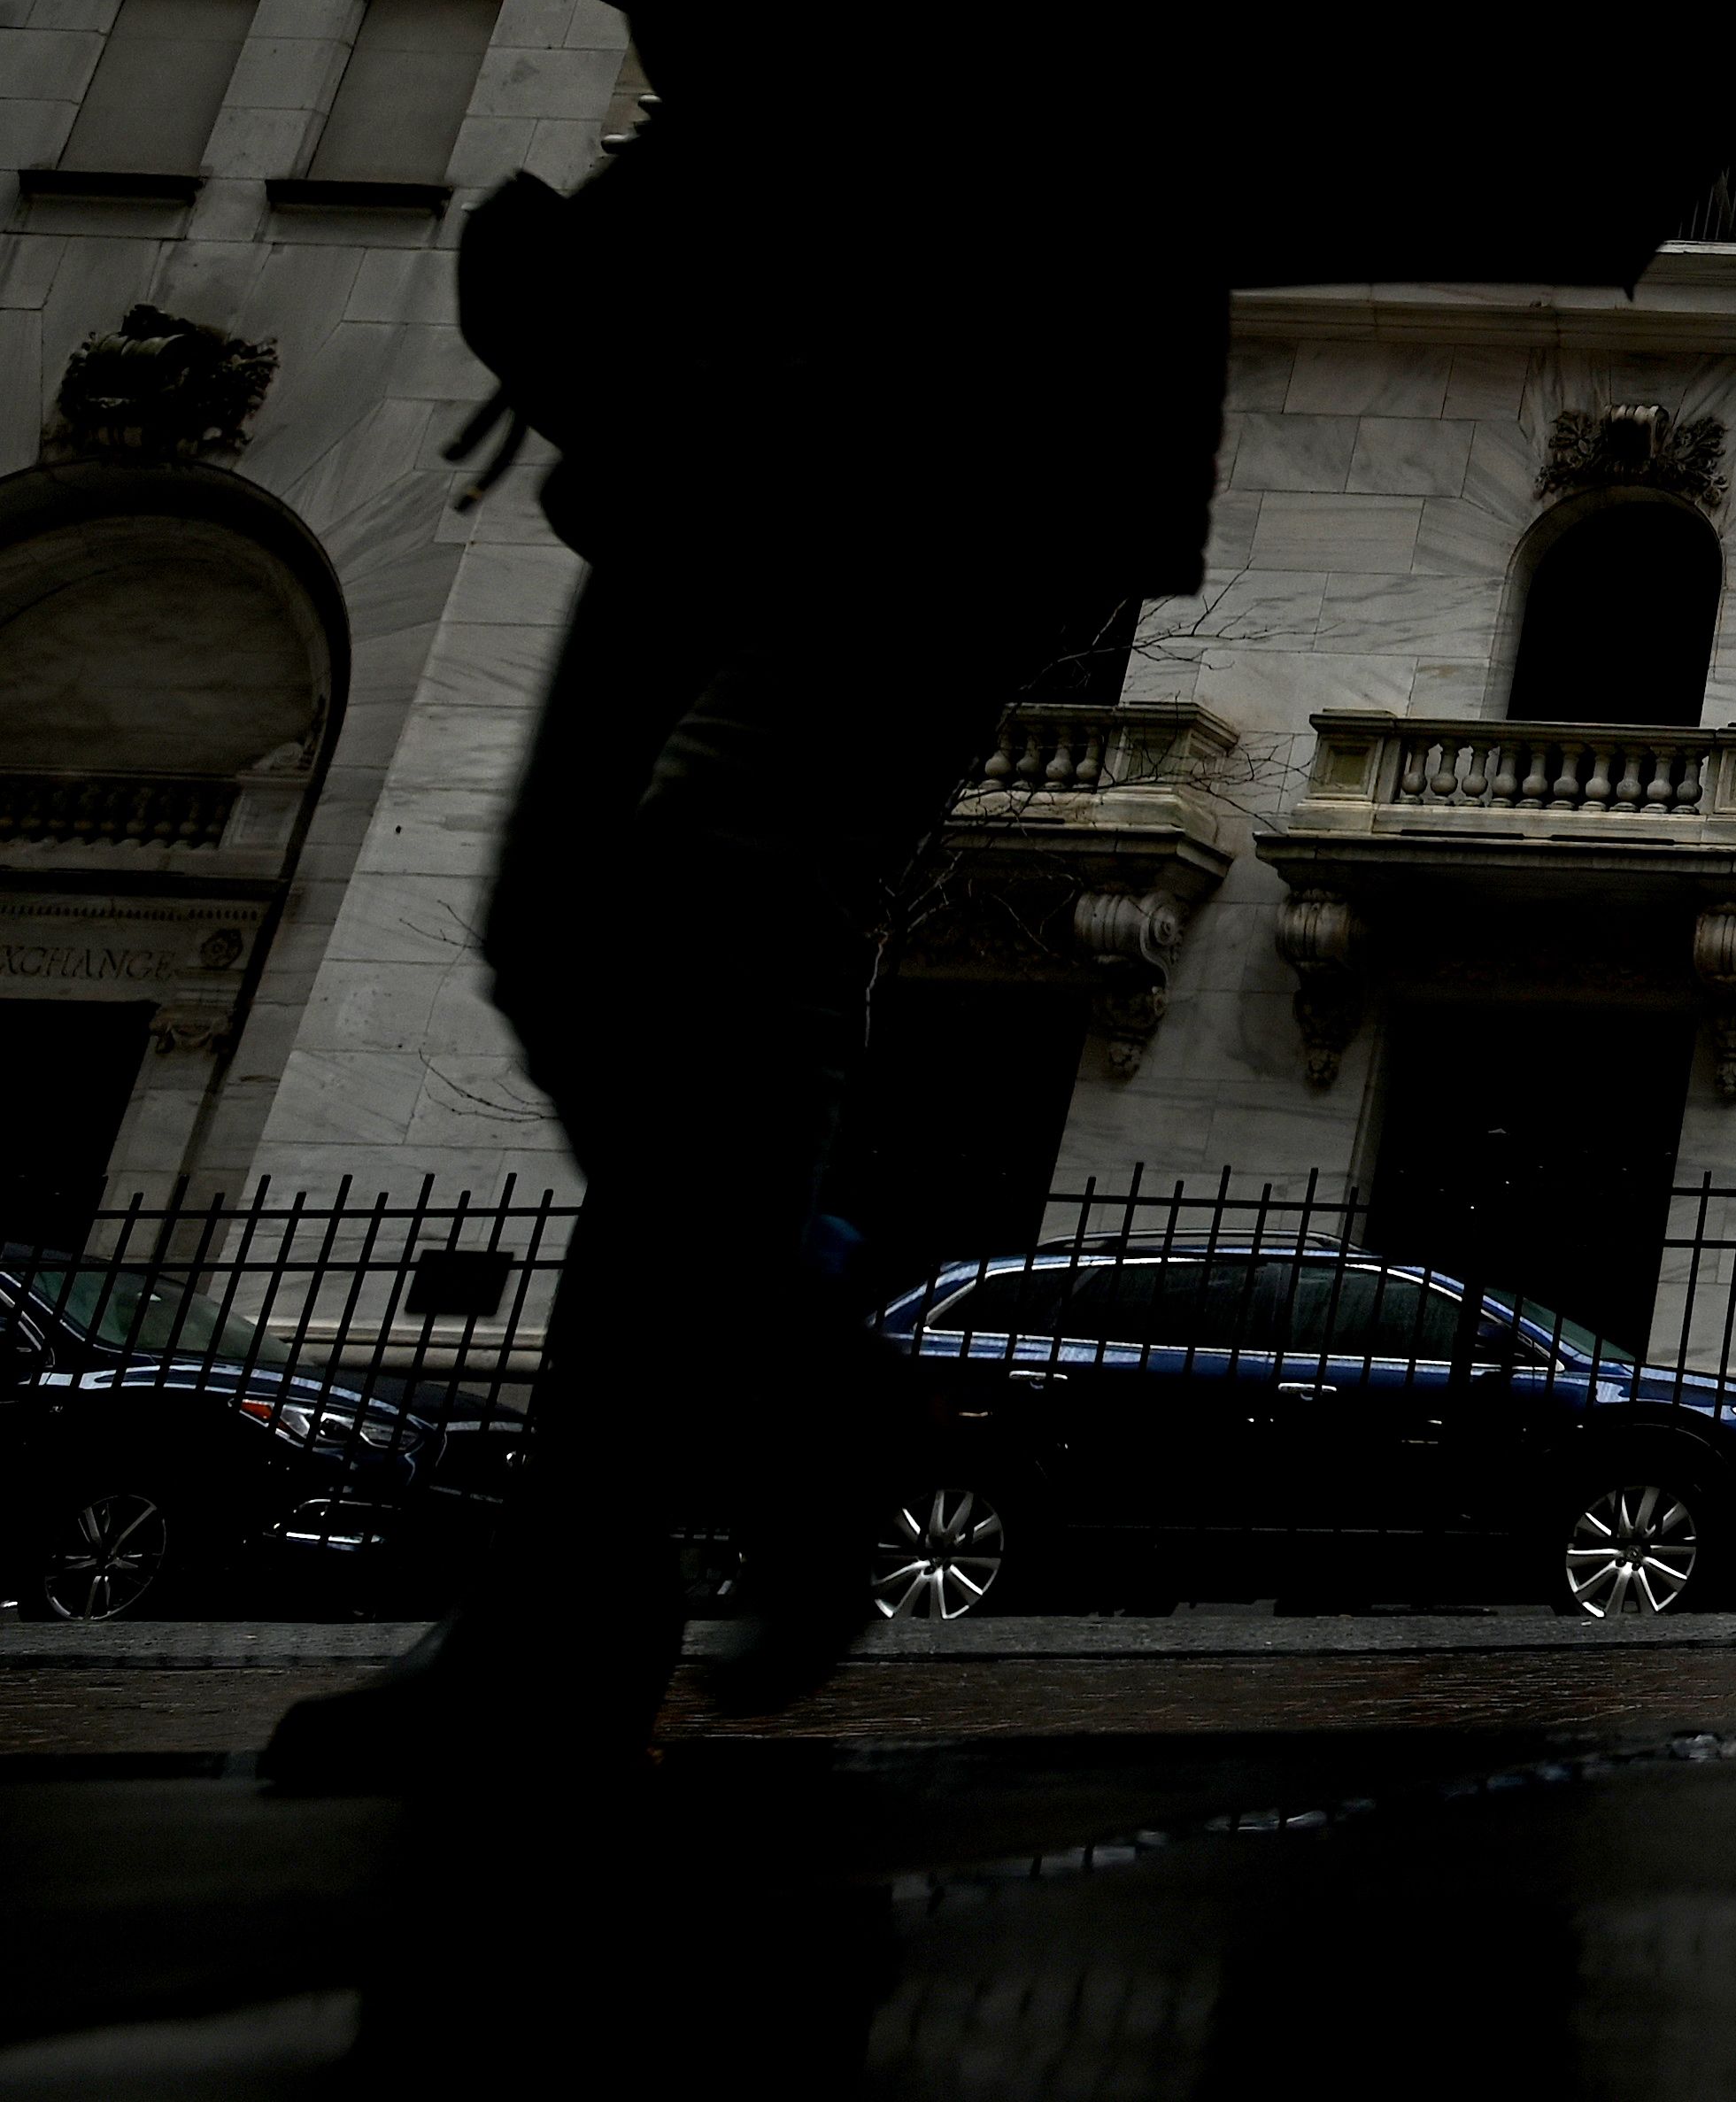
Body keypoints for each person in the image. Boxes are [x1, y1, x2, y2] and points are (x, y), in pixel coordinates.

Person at [262, 104, 1226, 1787]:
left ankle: (572, 1594)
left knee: (725, 889)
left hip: (964, 418)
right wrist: (606, 258)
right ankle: (809, 1391)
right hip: (696, 417)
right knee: (547, 927)